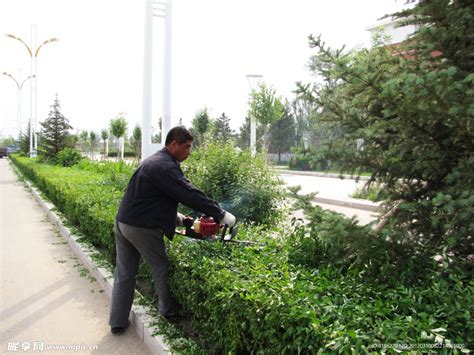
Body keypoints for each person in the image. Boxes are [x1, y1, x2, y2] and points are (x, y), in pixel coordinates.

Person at [108, 126, 236, 335]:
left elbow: (151, 202)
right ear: (173, 144)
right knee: (161, 267)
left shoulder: (154, 162)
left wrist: (182, 220)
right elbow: (189, 193)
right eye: (186, 147)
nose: (189, 152)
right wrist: (221, 214)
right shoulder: (166, 166)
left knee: (124, 274)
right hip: (141, 228)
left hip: (123, 223)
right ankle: (167, 312)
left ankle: (117, 322)